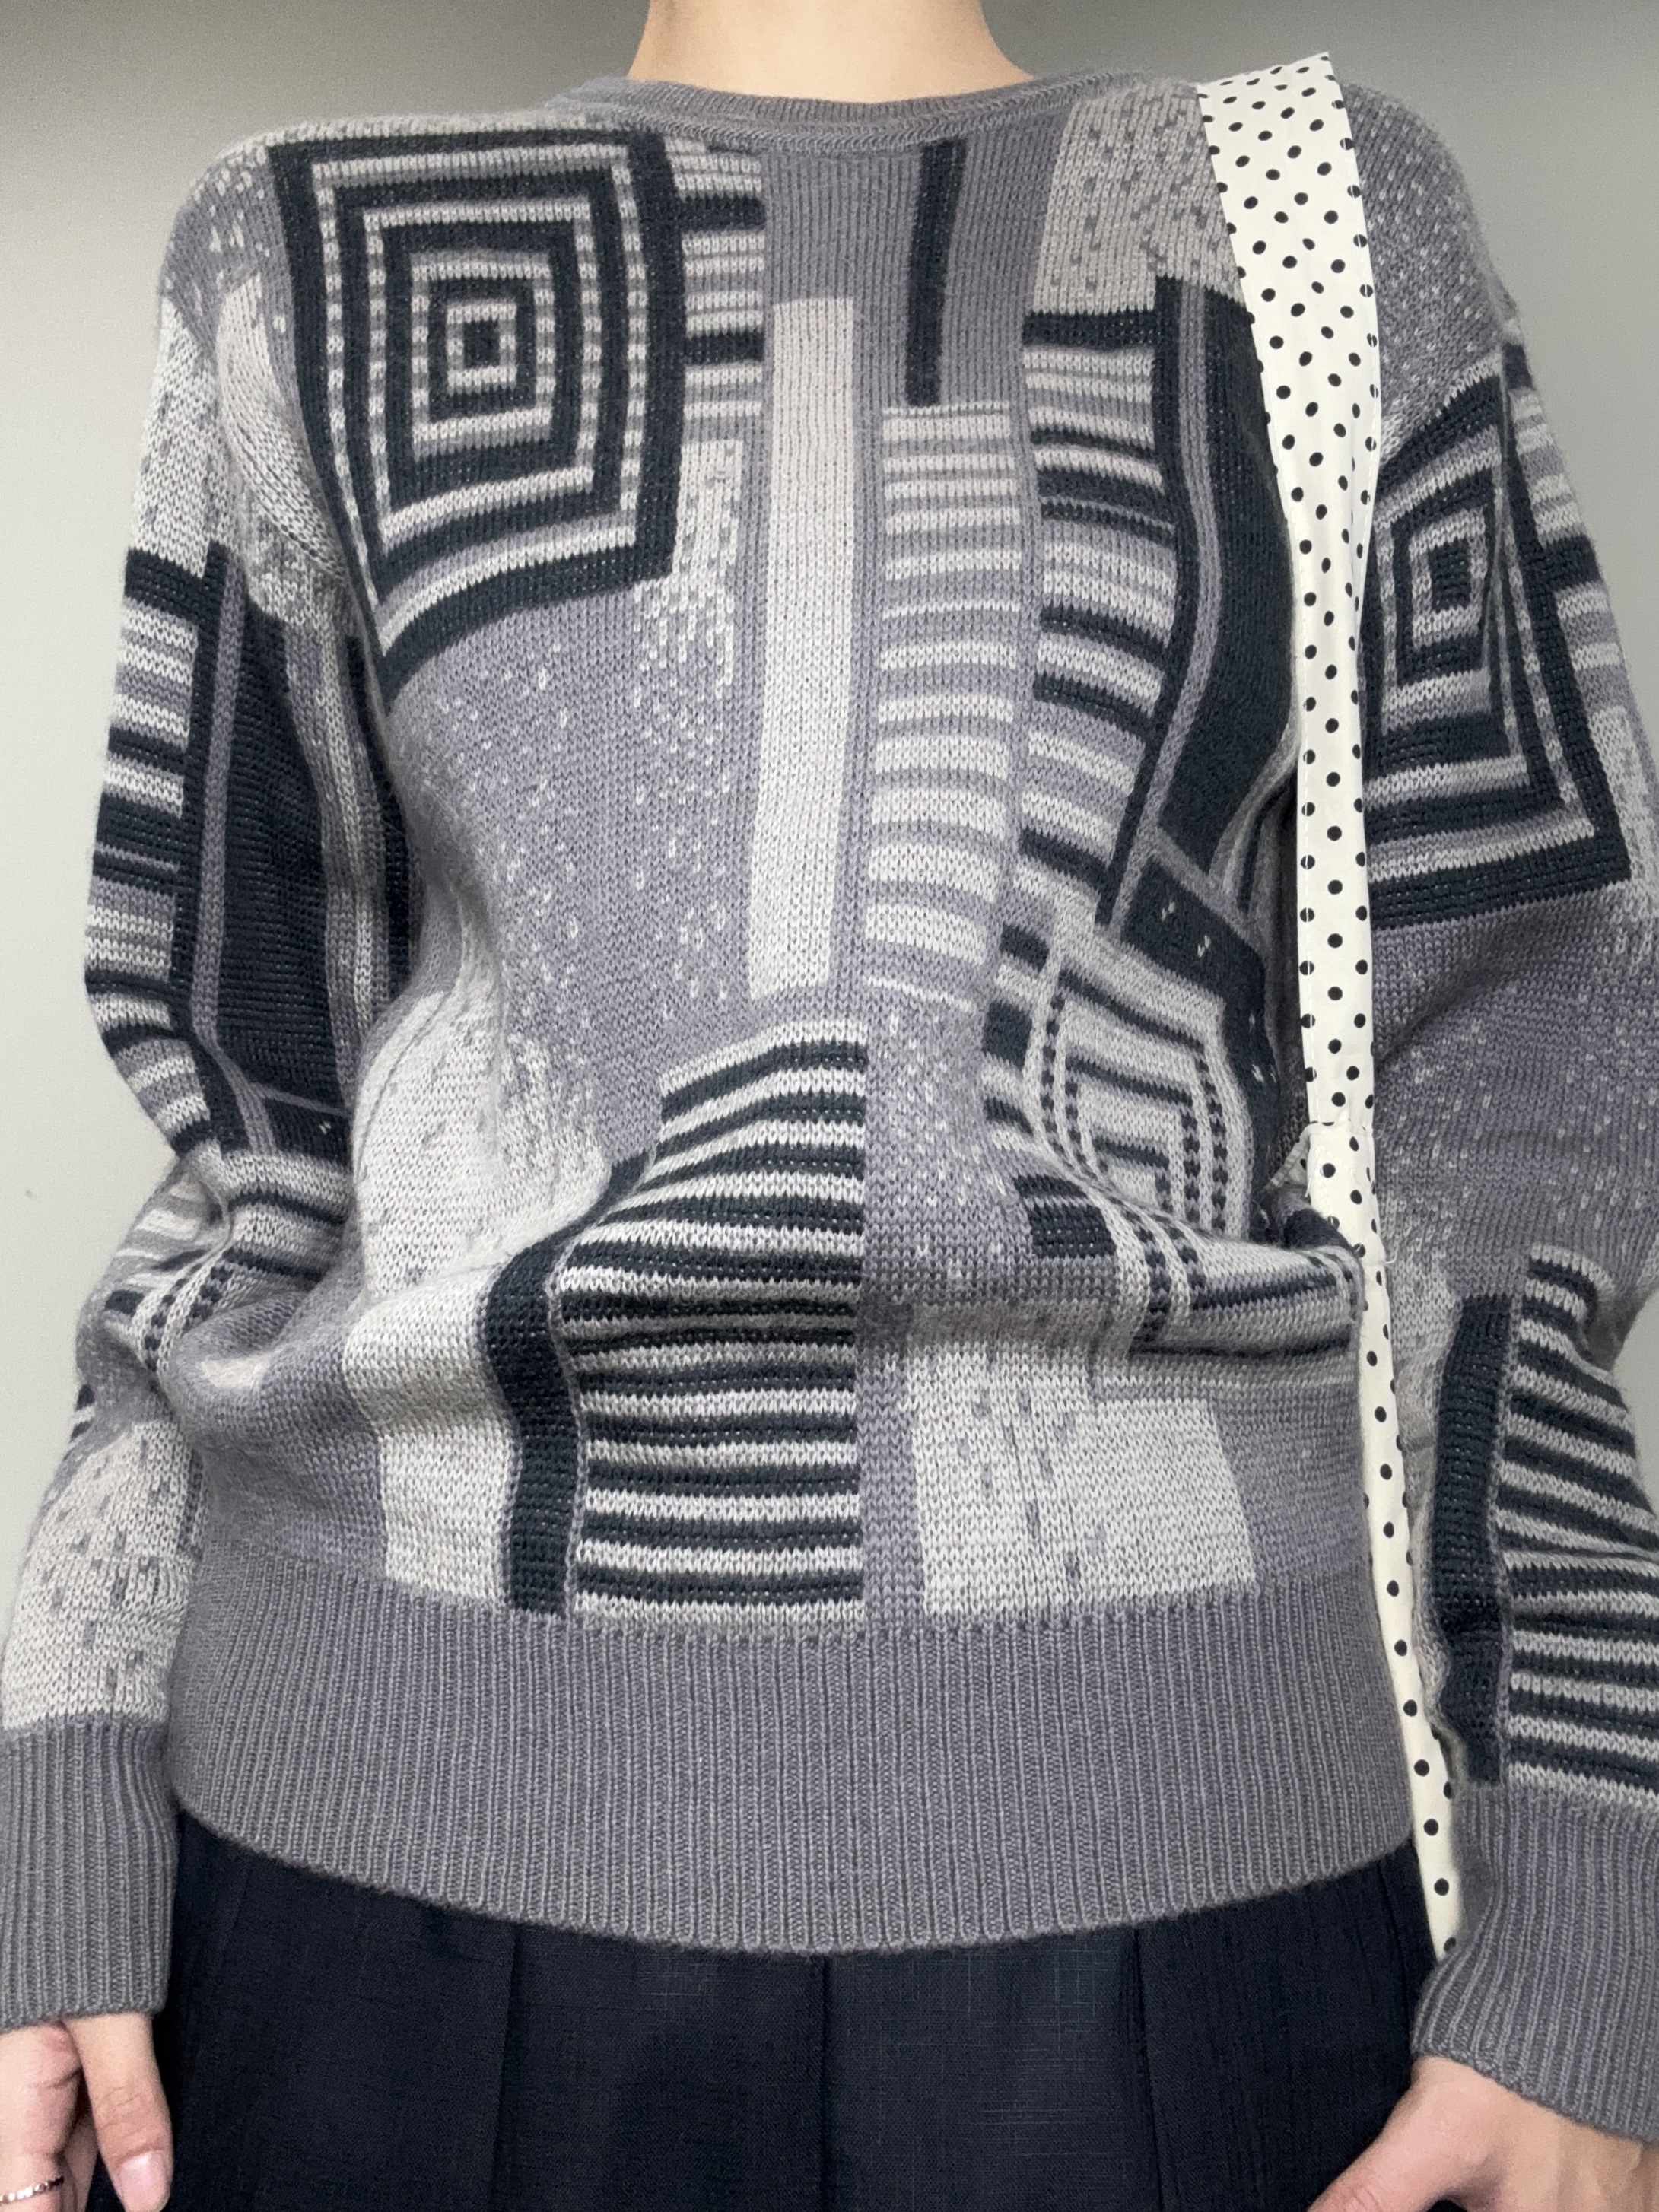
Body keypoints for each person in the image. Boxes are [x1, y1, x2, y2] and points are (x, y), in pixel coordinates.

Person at [2, 0, 1657, 2204]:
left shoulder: (1328, 216)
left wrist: (1592, 1922)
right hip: (357, 1886)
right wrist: (65, 1776)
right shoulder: (295, 248)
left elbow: (1524, 1115)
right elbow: (245, 1136)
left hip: (1189, 1889)